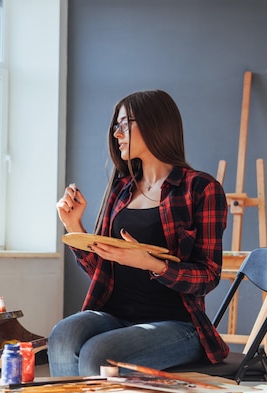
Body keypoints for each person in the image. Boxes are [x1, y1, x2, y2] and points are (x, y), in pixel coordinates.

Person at [49, 89, 229, 377]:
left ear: (155, 123)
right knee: (63, 335)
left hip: (178, 326)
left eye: (124, 124)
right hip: (115, 317)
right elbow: (101, 269)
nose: (116, 134)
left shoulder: (201, 189)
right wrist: (74, 226)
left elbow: (208, 277)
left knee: (99, 354)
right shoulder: (121, 189)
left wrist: (151, 264)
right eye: (115, 126)